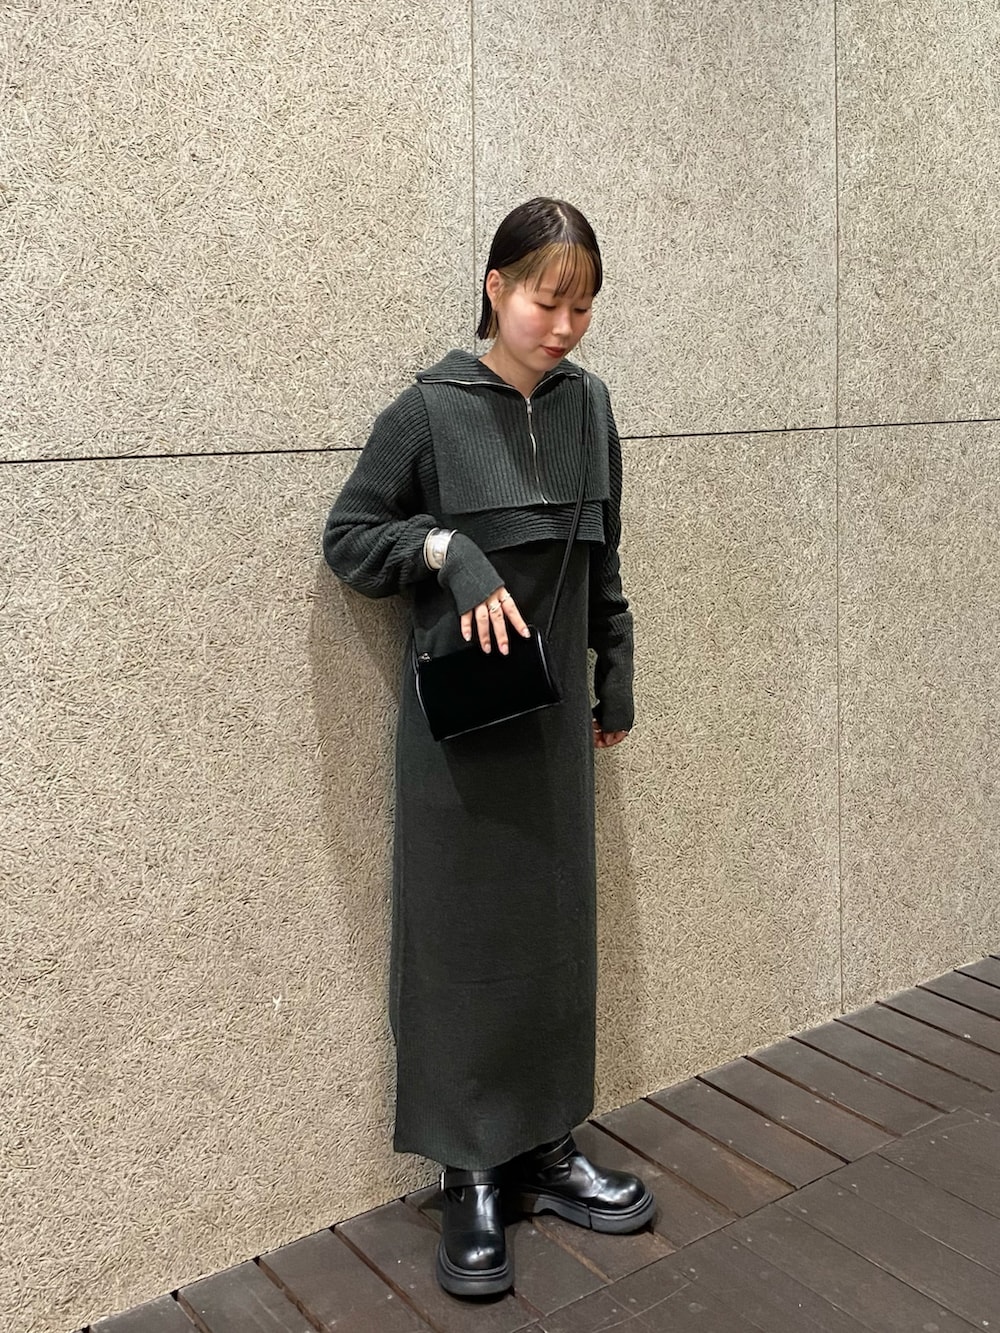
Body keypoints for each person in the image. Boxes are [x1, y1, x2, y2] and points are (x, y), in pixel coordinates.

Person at [322, 198, 653, 1298]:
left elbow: (604, 556)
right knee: (462, 939)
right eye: (546, 301)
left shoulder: (589, 406)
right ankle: (469, 1170)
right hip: (459, 737)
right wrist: (444, 549)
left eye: (582, 308)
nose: (563, 326)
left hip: (556, 726)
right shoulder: (428, 411)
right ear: (494, 287)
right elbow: (350, 537)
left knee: (556, 930)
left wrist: (616, 664)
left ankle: (546, 1146)